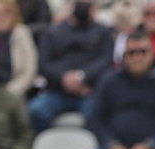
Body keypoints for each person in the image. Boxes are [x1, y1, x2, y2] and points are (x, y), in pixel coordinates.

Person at [27, 0, 113, 131]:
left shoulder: (103, 32)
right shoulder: (52, 32)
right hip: (57, 91)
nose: (82, 8)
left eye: (87, 5)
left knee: (97, 115)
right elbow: (44, 64)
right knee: (35, 110)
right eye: (79, 4)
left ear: (94, 8)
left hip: (89, 92)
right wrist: (64, 78)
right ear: (70, 6)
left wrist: (82, 77)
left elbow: (106, 61)